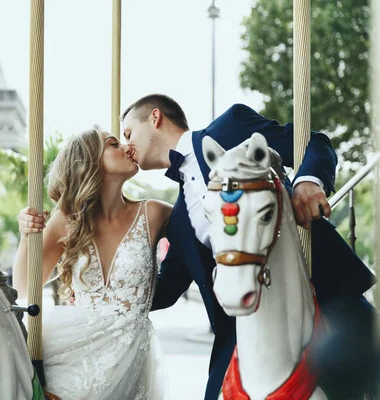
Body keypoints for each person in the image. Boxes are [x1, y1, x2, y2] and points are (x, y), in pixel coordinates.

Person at [121, 93, 378, 399]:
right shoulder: (178, 218)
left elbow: (313, 142)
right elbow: (167, 287)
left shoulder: (230, 128)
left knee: (362, 359)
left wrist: (308, 182)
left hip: (324, 288)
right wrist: (107, 287)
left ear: (155, 117)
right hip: (243, 332)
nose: (126, 146)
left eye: (128, 133)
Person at [13, 127, 172, 399]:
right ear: (89, 161)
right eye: (113, 144)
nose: (127, 147)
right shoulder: (67, 220)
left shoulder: (155, 213)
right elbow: (25, 287)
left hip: (130, 357)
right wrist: (27, 238)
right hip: (75, 352)